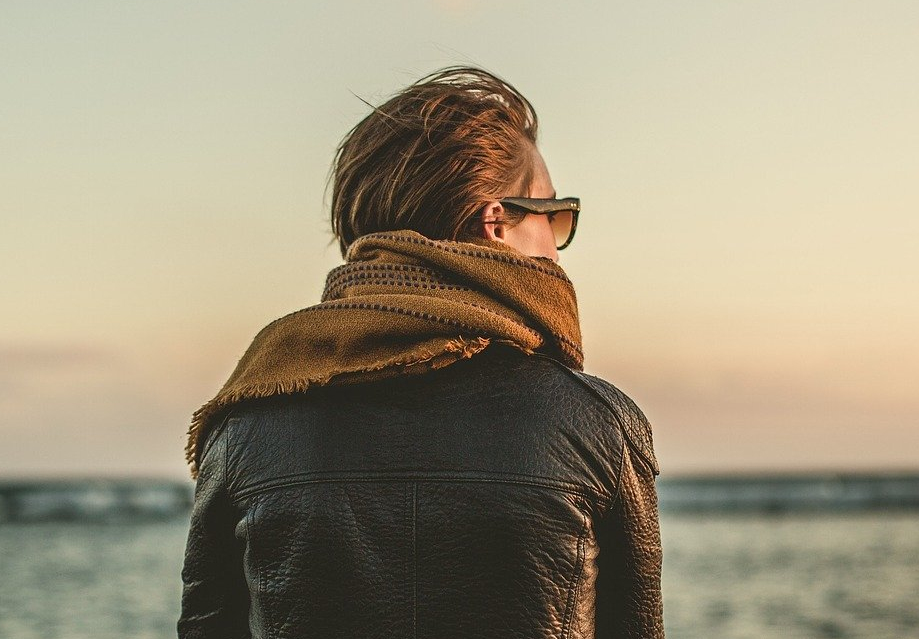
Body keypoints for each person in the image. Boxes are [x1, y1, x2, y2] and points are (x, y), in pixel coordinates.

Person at [178, 66, 663, 638]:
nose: (557, 248)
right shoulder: (599, 424)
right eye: (553, 216)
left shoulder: (244, 428)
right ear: (497, 223)